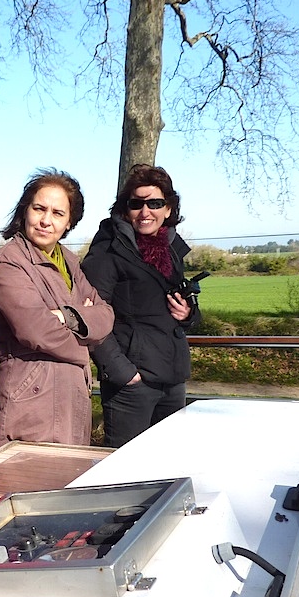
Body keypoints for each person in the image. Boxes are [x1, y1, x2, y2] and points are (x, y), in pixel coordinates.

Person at [0, 169, 114, 448]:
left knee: (66, 484)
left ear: (69, 222)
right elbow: (36, 330)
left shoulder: (69, 261)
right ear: (25, 211)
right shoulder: (7, 263)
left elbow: (106, 316)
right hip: (31, 395)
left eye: (58, 213)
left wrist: (66, 316)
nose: (45, 221)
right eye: (39, 209)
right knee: (28, 484)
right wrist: (84, 334)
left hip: (71, 395)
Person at [81, 164, 201, 448]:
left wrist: (188, 314)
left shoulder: (171, 248)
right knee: (124, 471)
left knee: (167, 463)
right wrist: (123, 373)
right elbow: (90, 318)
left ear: (169, 209)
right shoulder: (108, 250)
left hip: (171, 378)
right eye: (136, 204)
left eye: (155, 203)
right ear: (125, 210)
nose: (145, 212)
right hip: (133, 385)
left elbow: (180, 302)